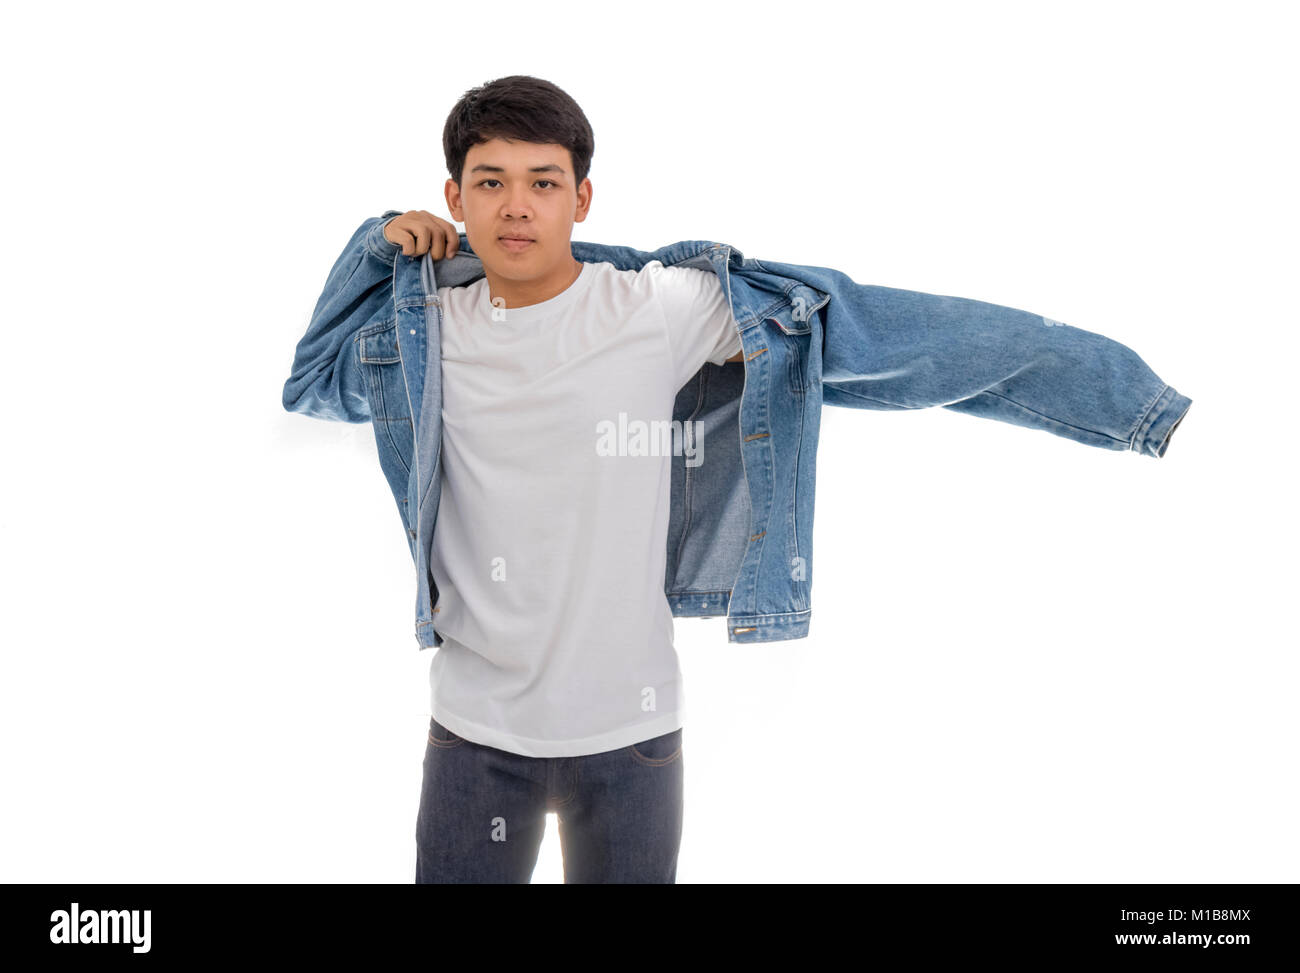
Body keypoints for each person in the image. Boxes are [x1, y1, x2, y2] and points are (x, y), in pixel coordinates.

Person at [389, 75, 743, 883]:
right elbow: (307, 378)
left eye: (543, 183)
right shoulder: (424, 332)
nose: (517, 206)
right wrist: (375, 245)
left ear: (581, 199)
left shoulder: (654, 310)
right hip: (476, 733)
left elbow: (821, 324)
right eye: (491, 183)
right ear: (455, 198)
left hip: (632, 734)